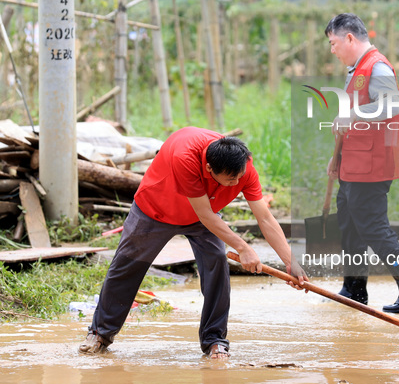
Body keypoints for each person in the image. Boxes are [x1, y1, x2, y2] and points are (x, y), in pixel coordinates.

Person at [79, 127, 307, 358]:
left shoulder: (241, 168)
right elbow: (204, 214)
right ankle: (100, 334)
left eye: (240, 176)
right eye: (231, 179)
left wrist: (291, 262)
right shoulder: (185, 158)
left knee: (217, 263)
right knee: (126, 267)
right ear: (209, 169)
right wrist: (244, 247)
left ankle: (215, 341)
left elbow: (265, 218)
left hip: (203, 215)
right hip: (154, 211)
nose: (238, 182)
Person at [324, 13, 399, 313]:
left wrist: (351, 115)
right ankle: (354, 289)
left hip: (372, 166)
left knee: (372, 227)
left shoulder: (378, 66)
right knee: (349, 226)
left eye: (333, 43)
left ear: (349, 39)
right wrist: (337, 159)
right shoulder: (356, 69)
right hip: (353, 163)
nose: (333, 50)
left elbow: (391, 104)